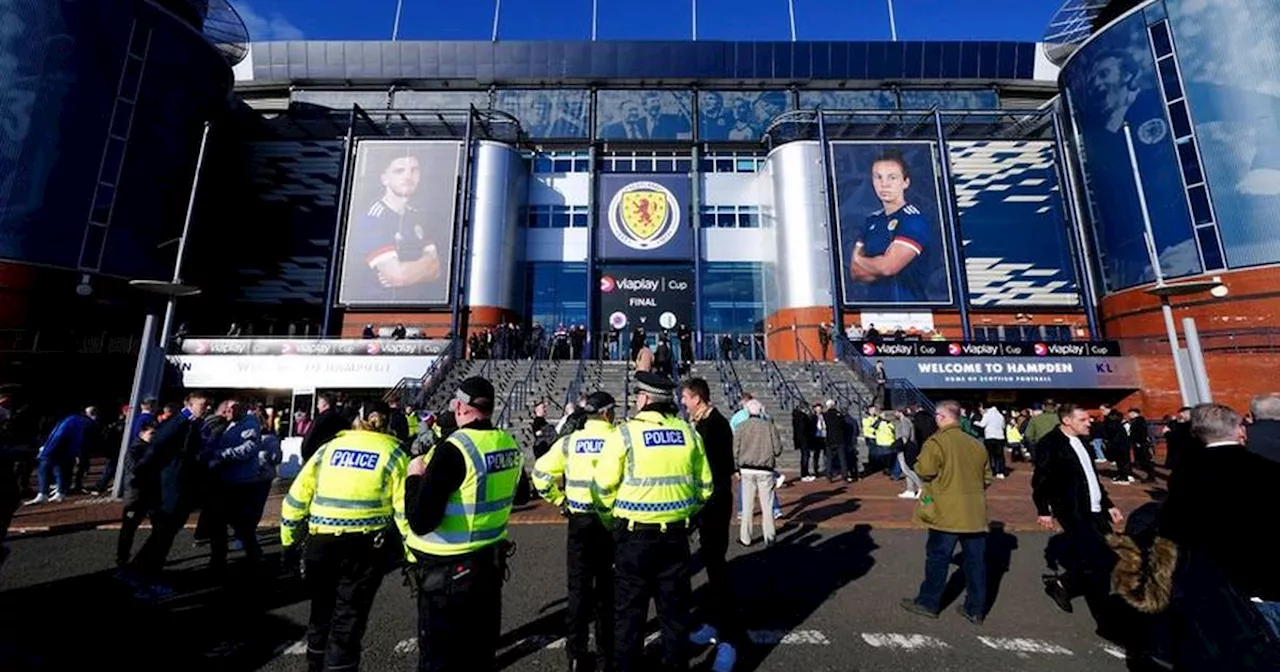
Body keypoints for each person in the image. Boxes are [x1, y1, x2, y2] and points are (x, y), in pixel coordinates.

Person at [595, 372, 713, 672]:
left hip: (633, 537)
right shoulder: (689, 433)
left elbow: (602, 489)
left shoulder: (624, 434)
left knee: (629, 617)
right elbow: (705, 488)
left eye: (638, 396)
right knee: (674, 616)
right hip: (675, 537)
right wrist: (685, 513)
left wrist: (611, 521)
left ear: (645, 399)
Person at [402, 376, 522, 672]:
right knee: (480, 655)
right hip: (489, 563)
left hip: (447, 573)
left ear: (460, 407)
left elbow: (420, 521)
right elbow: (521, 495)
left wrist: (414, 477)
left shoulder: (455, 448)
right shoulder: (508, 443)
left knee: (439, 659)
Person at [280, 400, 409, 672]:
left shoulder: (328, 449)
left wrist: (288, 542)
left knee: (321, 609)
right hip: (365, 545)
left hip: (321, 541)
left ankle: (315, 663)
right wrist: (411, 553)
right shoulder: (394, 453)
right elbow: (403, 512)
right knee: (349, 615)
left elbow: (295, 499)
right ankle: (340, 667)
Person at [531, 392, 619, 672]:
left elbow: (541, 474)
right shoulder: (619, 439)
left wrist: (560, 500)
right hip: (609, 523)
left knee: (578, 591)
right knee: (607, 592)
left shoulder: (571, 442)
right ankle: (607, 656)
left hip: (579, 522)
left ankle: (577, 656)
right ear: (607, 413)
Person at [1032, 403, 1125, 633]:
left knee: (1107, 557)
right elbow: (1041, 480)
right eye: (1083, 419)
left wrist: (1108, 504)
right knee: (1097, 562)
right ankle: (1105, 621)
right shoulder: (1050, 444)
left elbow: (1091, 476)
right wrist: (1043, 510)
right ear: (1067, 421)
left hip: (1095, 508)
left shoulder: (1083, 442)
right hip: (1072, 509)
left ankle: (1063, 583)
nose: (1089, 422)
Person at [901, 400, 992, 624]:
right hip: (974, 512)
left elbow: (925, 470)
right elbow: (986, 477)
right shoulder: (976, 444)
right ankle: (975, 609)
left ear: (941, 417)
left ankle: (928, 602)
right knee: (975, 562)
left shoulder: (937, 442)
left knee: (938, 558)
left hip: (946, 511)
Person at [682, 377, 740, 672]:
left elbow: (717, 471)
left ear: (699, 399)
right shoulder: (704, 423)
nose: (683, 403)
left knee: (717, 568)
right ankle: (714, 623)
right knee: (711, 563)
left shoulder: (714, 426)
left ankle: (729, 637)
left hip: (715, 504)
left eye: (687, 398)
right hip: (708, 504)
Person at [346, 150, 445, 303]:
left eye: (414, 170)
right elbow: (397, 275)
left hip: (415, 307)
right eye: (399, 171)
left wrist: (408, 271)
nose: (408, 176)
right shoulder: (372, 218)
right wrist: (423, 266)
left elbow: (436, 269)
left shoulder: (418, 217)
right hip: (377, 310)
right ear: (384, 178)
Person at [848, 150, 935, 302]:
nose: (884, 184)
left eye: (892, 177)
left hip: (911, 311)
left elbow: (888, 267)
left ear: (905, 182)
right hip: (874, 311)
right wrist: (879, 264)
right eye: (878, 177)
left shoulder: (913, 219)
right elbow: (855, 272)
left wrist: (861, 259)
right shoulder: (872, 221)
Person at [734, 399, 782, 547]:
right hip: (765, 470)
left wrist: (736, 467)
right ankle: (770, 538)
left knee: (747, 507)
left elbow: (735, 450)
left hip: (747, 469)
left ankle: (745, 537)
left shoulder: (741, 427)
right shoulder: (769, 427)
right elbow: (778, 449)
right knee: (767, 506)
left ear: (747, 412)